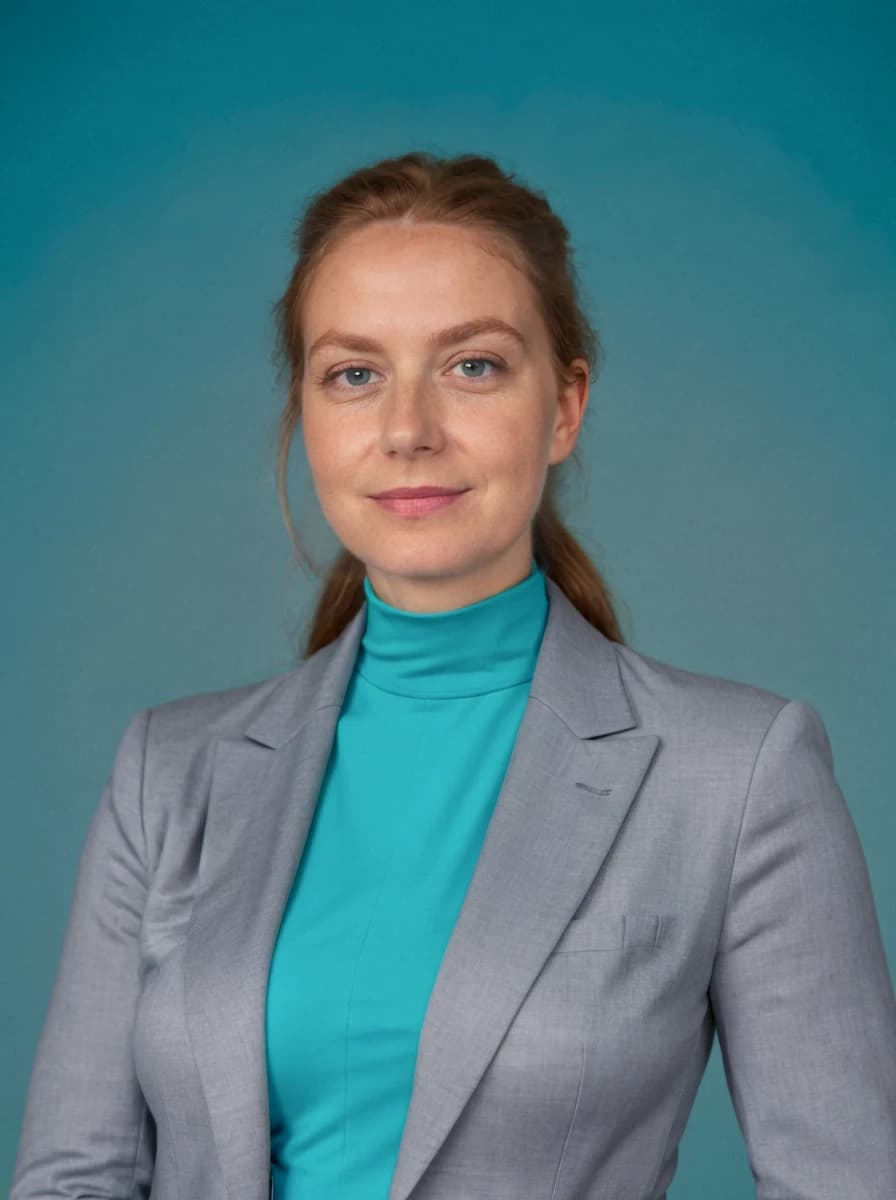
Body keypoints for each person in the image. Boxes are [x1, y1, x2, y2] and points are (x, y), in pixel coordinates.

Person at [11, 150, 896, 1200]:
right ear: (307, 415)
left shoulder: (737, 775)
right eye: (353, 374)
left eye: (471, 365)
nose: (406, 431)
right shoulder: (169, 771)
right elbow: (72, 1178)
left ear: (563, 407)